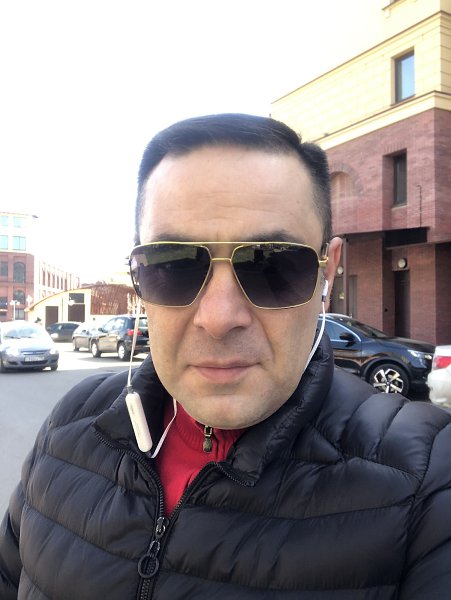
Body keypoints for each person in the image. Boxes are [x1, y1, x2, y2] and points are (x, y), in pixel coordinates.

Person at [1, 113, 451, 600]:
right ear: (138, 272)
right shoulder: (71, 423)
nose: (218, 318)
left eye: (273, 264)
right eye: (174, 264)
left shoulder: (426, 478)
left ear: (329, 270)